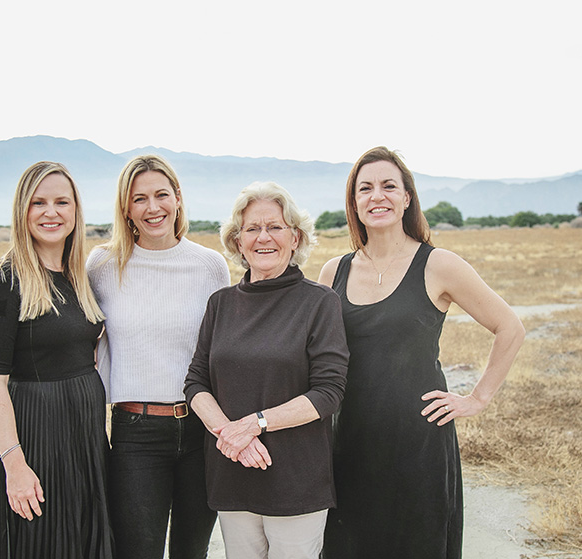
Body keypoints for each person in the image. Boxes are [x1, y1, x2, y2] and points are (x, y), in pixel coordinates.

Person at [319, 147, 526, 559]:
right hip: (348, 443)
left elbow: (510, 327)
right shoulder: (333, 272)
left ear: (407, 198)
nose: (377, 196)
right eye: (366, 188)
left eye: (389, 186)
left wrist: (477, 398)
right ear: (354, 202)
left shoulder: (439, 265)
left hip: (419, 445)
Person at [184, 181, 349, 559]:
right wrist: (232, 434)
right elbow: (196, 382)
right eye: (252, 229)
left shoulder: (320, 303)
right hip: (232, 471)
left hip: (296, 478)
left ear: (295, 237)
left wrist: (255, 423)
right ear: (237, 241)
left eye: (275, 227)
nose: (264, 237)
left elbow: (328, 392)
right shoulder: (220, 304)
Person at [87, 155, 229, 559]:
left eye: (162, 195)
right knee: (136, 551)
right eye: (140, 199)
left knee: (192, 550)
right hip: (137, 432)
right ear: (125, 208)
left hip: (201, 429)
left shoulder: (210, 266)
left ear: (178, 199)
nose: (153, 208)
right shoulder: (103, 265)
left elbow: (223, 349)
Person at [0, 161, 113, 558]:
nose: (51, 212)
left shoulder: (78, 277)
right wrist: (15, 466)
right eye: (39, 203)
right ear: (22, 211)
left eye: (61, 202)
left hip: (84, 437)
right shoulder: (0, 281)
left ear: (75, 210)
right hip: (35, 437)